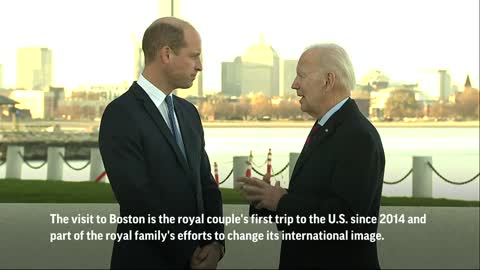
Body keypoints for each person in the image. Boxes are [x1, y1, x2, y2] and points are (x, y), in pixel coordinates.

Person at [238, 43, 385, 269]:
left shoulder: (357, 136)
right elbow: (315, 202)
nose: (294, 84)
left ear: (328, 81)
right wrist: (267, 200)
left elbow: (344, 219)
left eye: (301, 76)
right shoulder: (328, 127)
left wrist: (281, 201)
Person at [99, 17, 224, 269]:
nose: (199, 66)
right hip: (146, 261)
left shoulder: (188, 112)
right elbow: (138, 199)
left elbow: (206, 186)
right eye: (194, 56)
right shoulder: (121, 114)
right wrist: (189, 250)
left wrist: (215, 243)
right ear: (167, 54)